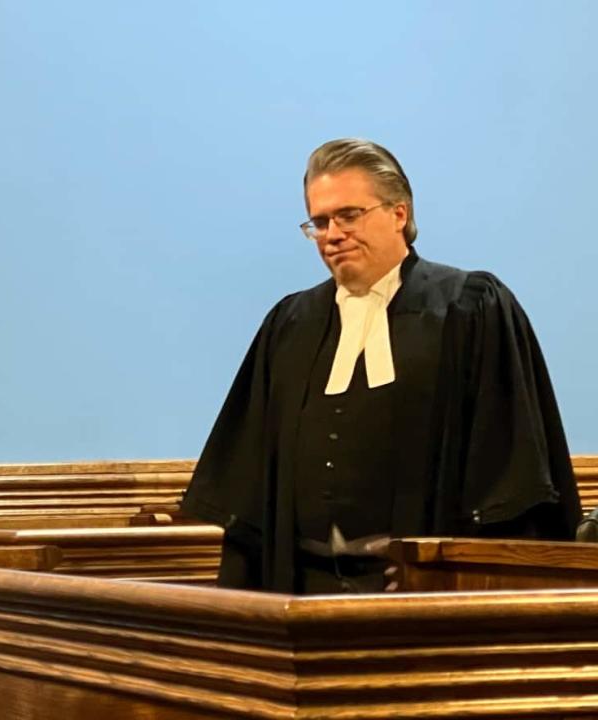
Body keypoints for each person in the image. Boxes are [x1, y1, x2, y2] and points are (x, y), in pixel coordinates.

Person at [181, 138, 581, 595]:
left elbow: (508, 478)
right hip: (301, 592)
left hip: (424, 597)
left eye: (349, 215)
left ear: (399, 214)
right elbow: (249, 493)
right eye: (320, 222)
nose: (333, 233)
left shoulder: (469, 310)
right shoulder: (290, 325)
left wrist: (442, 570)